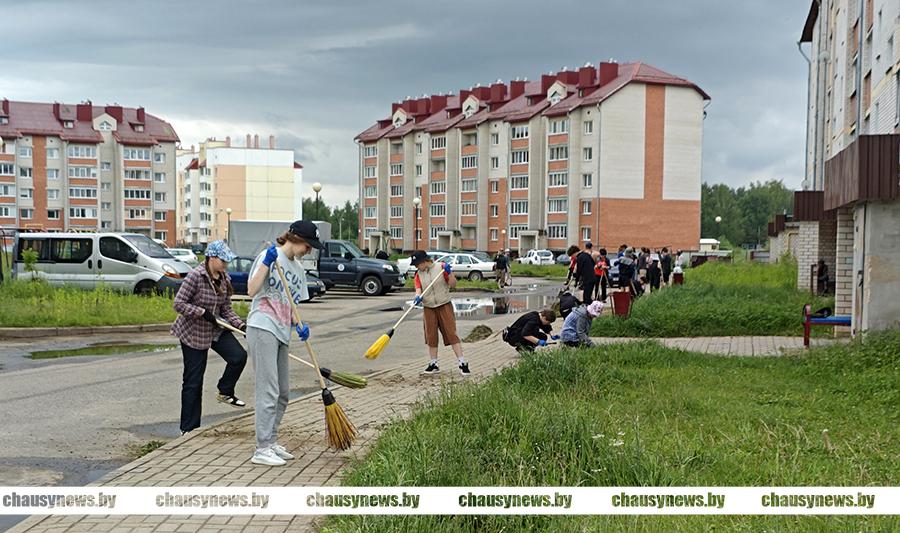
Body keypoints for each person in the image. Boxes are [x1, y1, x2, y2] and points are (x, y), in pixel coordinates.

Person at [244, 220, 323, 467]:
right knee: (267, 390)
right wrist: (266, 264)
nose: (308, 251)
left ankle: (271, 440)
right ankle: (262, 447)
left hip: (281, 331)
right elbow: (251, 290)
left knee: (283, 393)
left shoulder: (298, 269)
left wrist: (299, 324)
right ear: (296, 237)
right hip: (262, 326)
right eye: (307, 246)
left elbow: (293, 305)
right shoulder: (270, 256)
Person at [171, 240, 247, 437]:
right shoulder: (196, 276)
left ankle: (225, 391)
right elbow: (178, 304)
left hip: (215, 329)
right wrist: (201, 312)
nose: (225, 265)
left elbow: (226, 309)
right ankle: (188, 428)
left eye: (227, 261)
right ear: (211, 258)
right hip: (193, 332)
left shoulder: (224, 278)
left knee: (238, 356)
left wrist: (240, 325)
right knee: (193, 381)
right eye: (223, 261)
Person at [410, 250, 470, 376]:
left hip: (444, 305)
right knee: (431, 336)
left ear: (424, 261)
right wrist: (417, 297)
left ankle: (462, 363)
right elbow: (418, 288)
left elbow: (453, 284)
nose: (416, 267)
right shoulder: (418, 274)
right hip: (428, 307)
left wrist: (449, 273)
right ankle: (434, 363)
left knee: (451, 333)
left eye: (417, 264)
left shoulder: (441, 268)